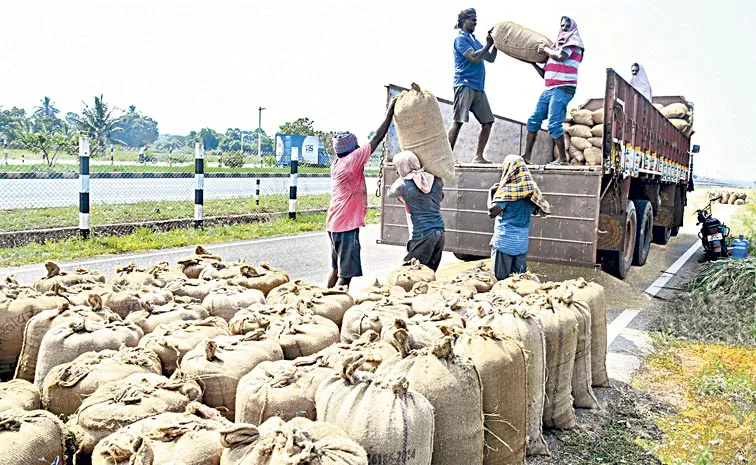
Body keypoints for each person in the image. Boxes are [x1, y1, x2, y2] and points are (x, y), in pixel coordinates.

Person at [326, 98, 397, 289]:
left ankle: (323, 300)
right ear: (353, 149)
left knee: (336, 268)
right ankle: (336, 304)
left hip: (335, 223)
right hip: (346, 226)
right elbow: (377, 138)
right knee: (345, 276)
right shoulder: (352, 161)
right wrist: (390, 113)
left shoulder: (338, 162)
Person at [522, 16, 585, 165]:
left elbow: (560, 57)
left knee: (554, 123)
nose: (564, 28)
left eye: (567, 26)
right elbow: (546, 74)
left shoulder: (573, 44)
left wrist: (544, 49)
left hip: (563, 88)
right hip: (550, 88)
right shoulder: (556, 47)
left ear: (573, 28)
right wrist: (532, 64)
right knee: (533, 120)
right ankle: (527, 156)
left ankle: (563, 159)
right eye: (562, 26)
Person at [488, 154, 551, 280]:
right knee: (519, 282)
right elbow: (535, 211)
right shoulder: (531, 191)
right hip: (521, 245)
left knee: (499, 283)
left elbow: (492, 212)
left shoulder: (507, 191)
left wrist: (491, 193)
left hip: (504, 243)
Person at [448, 8, 497, 164]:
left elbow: (490, 58)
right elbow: (474, 58)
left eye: (476, 19)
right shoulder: (461, 39)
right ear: (463, 21)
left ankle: (478, 157)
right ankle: (446, 158)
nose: (475, 21)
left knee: (488, 122)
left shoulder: (474, 40)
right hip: (465, 84)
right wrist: (488, 44)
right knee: (458, 121)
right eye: (472, 19)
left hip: (478, 88)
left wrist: (495, 44)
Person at [387, 151, 445, 271]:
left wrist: (404, 179)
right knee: (429, 273)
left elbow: (390, 193)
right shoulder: (436, 181)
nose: (397, 172)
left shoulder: (403, 184)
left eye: (398, 167)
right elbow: (441, 196)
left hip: (422, 235)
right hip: (440, 233)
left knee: (409, 273)